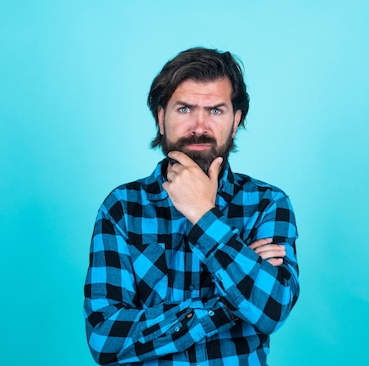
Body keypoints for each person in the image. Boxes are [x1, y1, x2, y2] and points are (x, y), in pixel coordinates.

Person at [84, 47, 299, 365]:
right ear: (161, 118)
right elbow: (104, 339)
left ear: (236, 120)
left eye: (215, 110)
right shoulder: (122, 208)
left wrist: (202, 215)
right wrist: (226, 303)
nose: (200, 126)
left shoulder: (267, 204)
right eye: (185, 109)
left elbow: (272, 309)